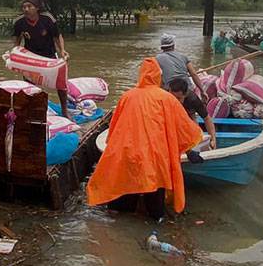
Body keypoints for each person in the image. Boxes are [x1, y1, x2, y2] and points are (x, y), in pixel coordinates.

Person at [87, 58, 205, 218]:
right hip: (155, 158)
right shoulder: (167, 99)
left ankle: (119, 220)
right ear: (158, 77)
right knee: (155, 202)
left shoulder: (127, 97)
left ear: (141, 75)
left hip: (128, 154)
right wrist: (190, 151)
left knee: (124, 193)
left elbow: (113, 130)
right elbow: (183, 129)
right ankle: (155, 220)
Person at [154, 33, 216, 148]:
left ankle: (195, 142)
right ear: (173, 45)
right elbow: (193, 74)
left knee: (185, 117)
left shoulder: (157, 59)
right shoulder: (182, 57)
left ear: (162, 47)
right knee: (191, 116)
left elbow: (156, 79)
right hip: (183, 90)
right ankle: (195, 142)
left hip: (173, 92)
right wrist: (202, 91)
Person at [12, 0, 70, 112]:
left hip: (49, 55)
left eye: (29, 6)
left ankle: (65, 110)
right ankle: (32, 110)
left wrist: (62, 51)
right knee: (29, 85)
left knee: (60, 83)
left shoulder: (47, 19)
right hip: (30, 58)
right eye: (24, 7)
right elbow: (17, 40)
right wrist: (14, 53)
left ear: (37, 8)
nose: (26, 9)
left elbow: (57, 36)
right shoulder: (19, 22)